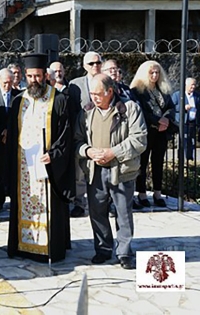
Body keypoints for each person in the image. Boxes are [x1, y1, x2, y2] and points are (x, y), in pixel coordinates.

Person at [74, 74, 147, 269]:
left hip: (121, 171)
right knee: (97, 213)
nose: (95, 98)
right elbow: (77, 140)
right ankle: (103, 249)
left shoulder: (129, 108)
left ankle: (124, 252)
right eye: (92, 94)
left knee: (123, 213)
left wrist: (113, 152)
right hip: (95, 170)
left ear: (110, 91)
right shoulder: (87, 112)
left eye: (98, 94)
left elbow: (139, 139)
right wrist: (88, 151)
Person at [6, 53, 72, 263]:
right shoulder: (19, 101)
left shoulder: (59, 100)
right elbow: (11, 134)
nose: (34, 80)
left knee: (50, 206)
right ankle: (23, 246)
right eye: (31, 76)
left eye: (38, 76)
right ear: (25, 75)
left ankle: (48, 247)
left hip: (47, 165)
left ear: (45, 75)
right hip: (23, 165)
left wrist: (53, 155)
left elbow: (65, 134)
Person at [130, 61, 176, 207]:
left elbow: (171, 107)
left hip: (161, 132)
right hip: (146, 131)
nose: (155, 75)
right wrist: (157, 121)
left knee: (158, 162)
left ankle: (157, 192)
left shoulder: (163, 89)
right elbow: (140, 111)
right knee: (142, 163)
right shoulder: (137, 90)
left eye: (157, 72)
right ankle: (142, 194)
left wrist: (166, 120)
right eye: (151, 72)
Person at [68, 51, 103, 218]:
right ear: (84, 66)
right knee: (80, 172)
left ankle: (103, 204)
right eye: (91, 63)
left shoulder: (107, 82)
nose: (95, 66)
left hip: (103, 132)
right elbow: (72, 109)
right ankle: (79, 203)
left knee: (103, 171)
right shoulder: (75, 85)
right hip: (82, 133)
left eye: (98, 62)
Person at [0, 68, 20, 212]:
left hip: (15, 140)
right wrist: (0, 133)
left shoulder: (19, 96)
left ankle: (15, 199)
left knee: (14, 171)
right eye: (4, 83)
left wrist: (9, 130)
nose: (7, 86)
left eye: (9, 83)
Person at [171, 77, 198, 161]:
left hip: (192, 122)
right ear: (186, 85)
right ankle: (181, 161)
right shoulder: (177, 95)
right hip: (182, 122)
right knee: (183, 142)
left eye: (194, 85)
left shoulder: (197, 96)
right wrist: (183, 107)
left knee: (191, 142)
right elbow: (171, 107)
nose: (193, 87)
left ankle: (190, 160)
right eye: (191, 85)